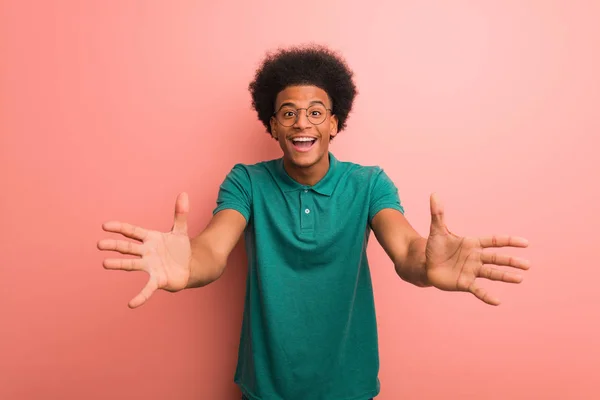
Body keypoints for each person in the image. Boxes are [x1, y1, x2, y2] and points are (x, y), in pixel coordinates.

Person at [97, 44, 530, 400]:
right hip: (266, 389)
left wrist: (428, 266)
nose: (302, 122)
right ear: (272, 125)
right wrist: (189, 264)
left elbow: (407, 249)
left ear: (335, 122)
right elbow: (213, 248)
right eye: (288, 113)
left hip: (349, 387)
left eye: (316, 112)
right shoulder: (246, 182)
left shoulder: (368, 183)